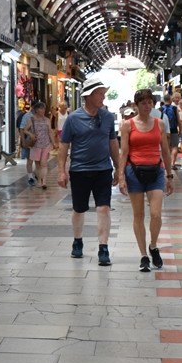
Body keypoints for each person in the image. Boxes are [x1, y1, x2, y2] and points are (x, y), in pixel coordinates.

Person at [56, 75, 120, 265]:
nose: (103, 97)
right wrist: (61, 170)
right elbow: (63, 145)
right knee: (79, 208)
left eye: (103, 93)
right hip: (79, 170)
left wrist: (118, 168)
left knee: (103, 208)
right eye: (100, 94)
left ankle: (103, 247)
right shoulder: (73, 118)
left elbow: (113, 143)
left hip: (103, 169)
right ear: (89, 96)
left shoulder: (107, 117)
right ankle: (77, 241)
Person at [118, 88, 175, 272]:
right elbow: (124, 152)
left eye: (150, 102)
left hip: (156, 171)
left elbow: (165, 151)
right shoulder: (127, 125)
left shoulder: (159, 124)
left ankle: (153, 245)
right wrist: (121, 176)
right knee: (138, 215)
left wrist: (169, 174)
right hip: (134, 171)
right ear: (136, 105)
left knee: (156, 214)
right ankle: (143, 255)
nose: (147, 106)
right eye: (143, 103)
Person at [23, 101, 56, 190]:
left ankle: (44, 181)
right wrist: (31, 135)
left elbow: (50, 131)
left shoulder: (47, 120)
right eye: (41, 109)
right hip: (35, 145)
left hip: (46, 144)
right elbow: (25, 130)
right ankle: (39, 181)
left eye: (44, 109)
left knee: (44, 163)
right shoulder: (32, 119)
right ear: (37, 110)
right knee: (38, 164)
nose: (43, 110)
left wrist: (53, 143)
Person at [160, 92, 179, 162]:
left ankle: (166, 162)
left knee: (166, 147)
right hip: (174, 129)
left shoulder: (160, 109)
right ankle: (172, 163)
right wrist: (180, 129)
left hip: (164, 131)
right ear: (170, 100)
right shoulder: (174, 108)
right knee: (175, 147)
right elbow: (178, 120)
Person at [17, 107, 34, 182]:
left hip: (35, 142)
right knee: (30, 160)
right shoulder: (27, 116)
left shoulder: (43, 118)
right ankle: (31, 177)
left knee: (37, 161)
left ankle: (36, 176)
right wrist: (23, 141)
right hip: (30, 141)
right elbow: (22, 129)